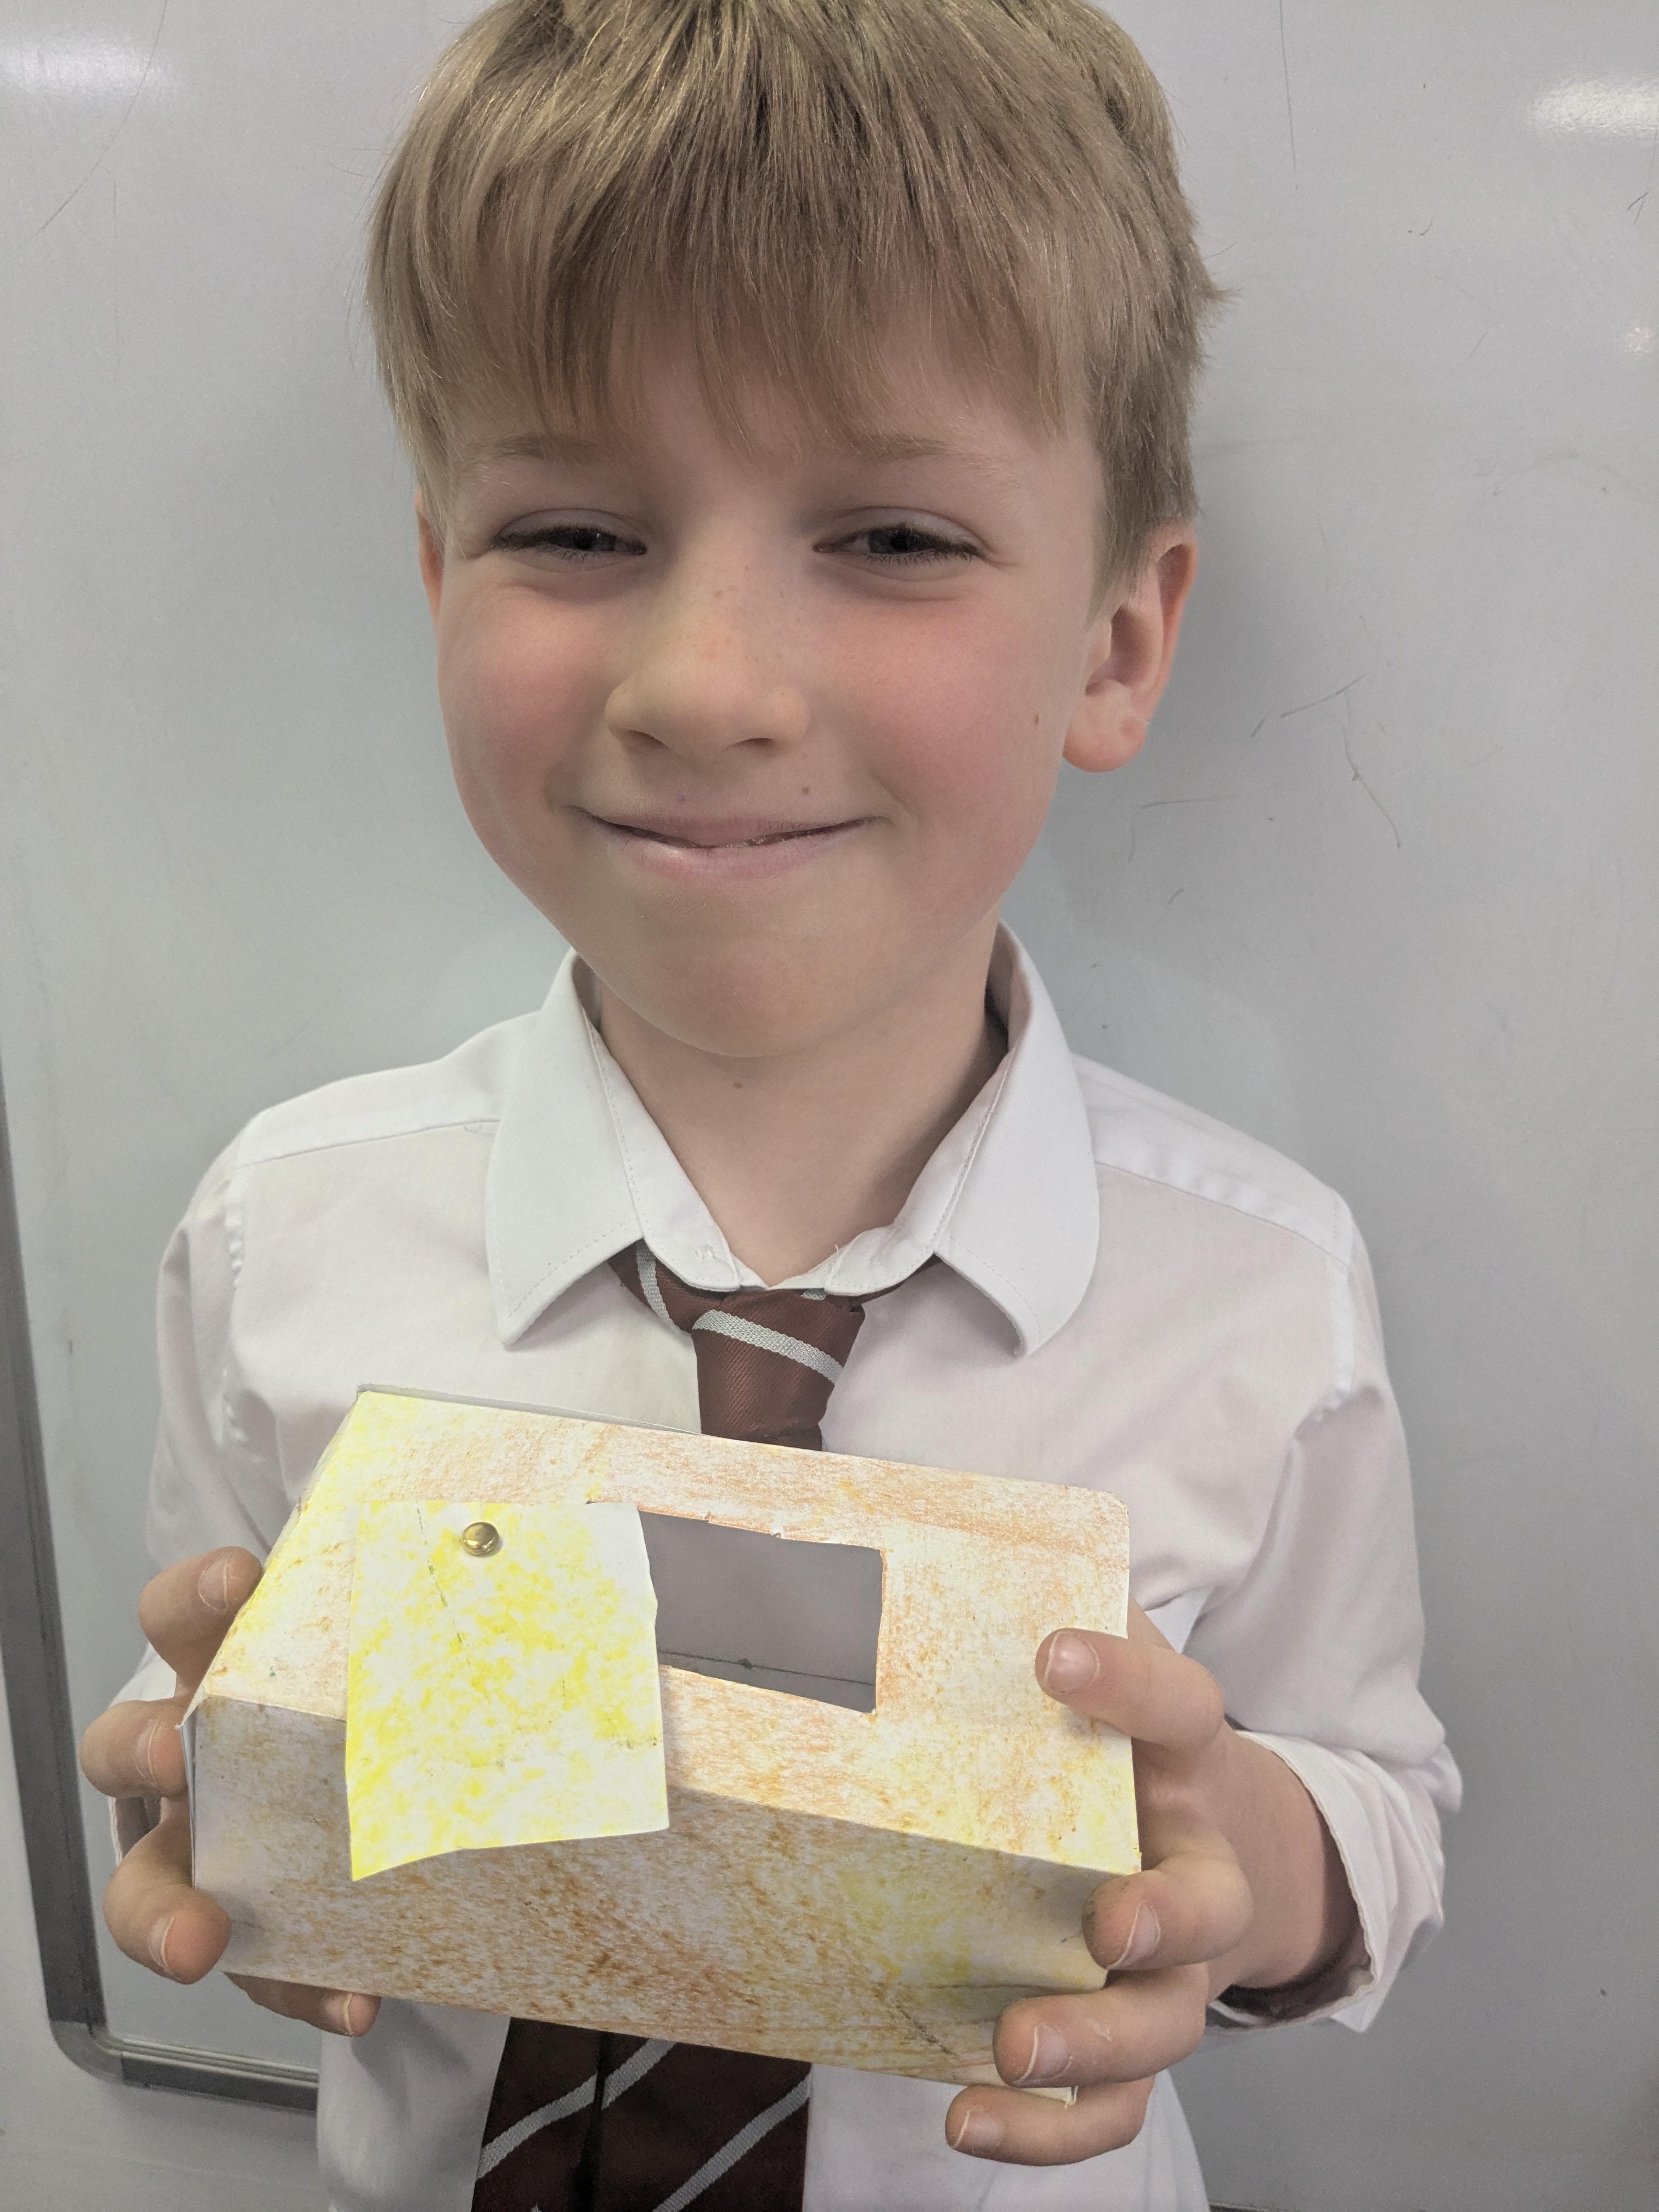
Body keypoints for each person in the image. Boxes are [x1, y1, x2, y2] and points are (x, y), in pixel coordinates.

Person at [77, 2, 1459, 2207]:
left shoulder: (1254, 1294)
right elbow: (233, 1739)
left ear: (1116, 641)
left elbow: (1375, 1789)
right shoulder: (284, 1240)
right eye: (574, 531)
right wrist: (224, 1819)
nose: (706, 686)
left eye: (894, 538)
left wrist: (1253, 1865)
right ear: (438, 578)